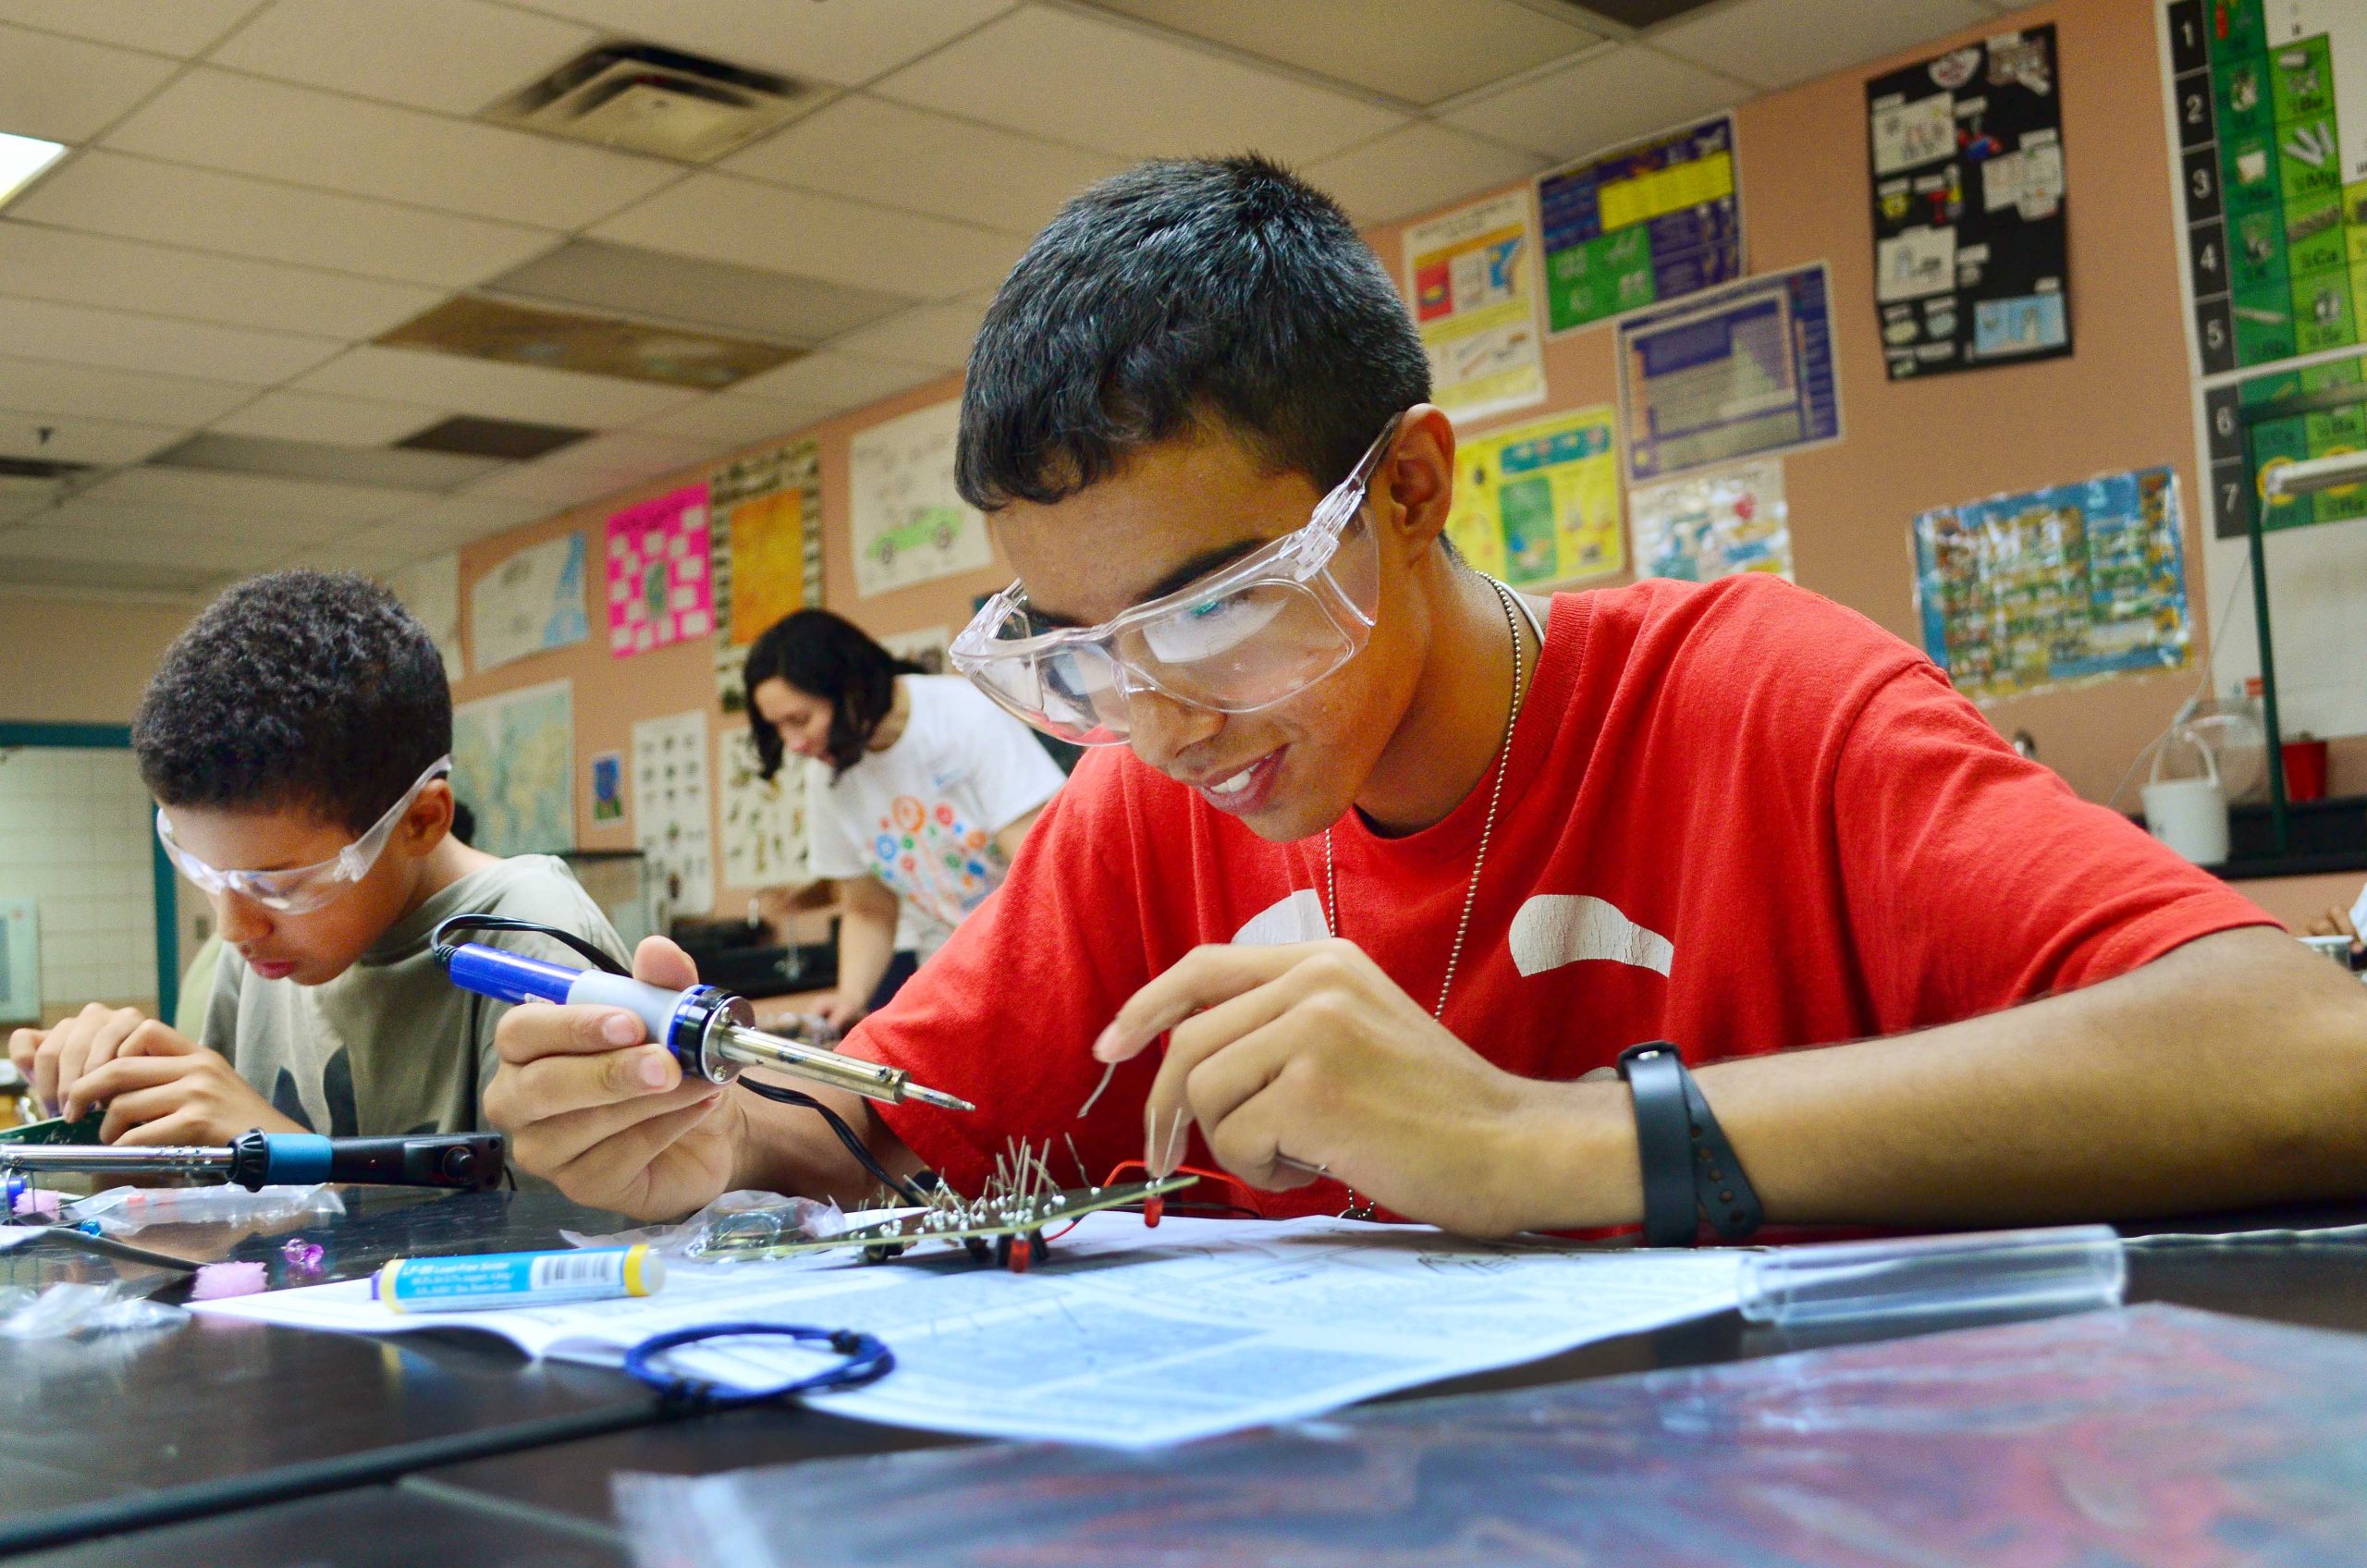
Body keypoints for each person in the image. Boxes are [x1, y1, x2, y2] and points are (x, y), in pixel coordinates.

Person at [484, 156, 2367, 1236]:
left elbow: (2303, 1057)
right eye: (1075, 659)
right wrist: (705, 1123)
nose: (1163, 715)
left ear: (1403, 488)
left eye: (1212, 612)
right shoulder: (1155, 806)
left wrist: (1531, 1142)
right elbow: (901, 1118)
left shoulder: (1750, 704)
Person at [8, 571, 627, 1145]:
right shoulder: (259, 952)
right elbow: (214, 1214)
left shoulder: (532, 945)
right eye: (202, 871)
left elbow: (574, 1247)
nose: (234, 928)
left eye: (278, 883)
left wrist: (288, 1159)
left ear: (420, 821)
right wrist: (97, 1121)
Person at [742, 608, 1063, 1032]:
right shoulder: (828, 780)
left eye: (800, 720)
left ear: (852, 687)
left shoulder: (962, 717)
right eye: (778, 728)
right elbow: (868, 909)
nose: (795, 744)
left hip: (1048, 950)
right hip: (960, 968)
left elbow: (1042, 873)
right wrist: (849, 998)